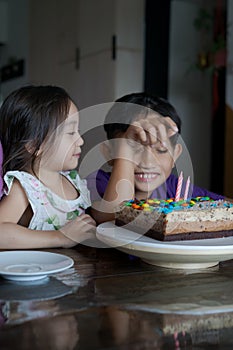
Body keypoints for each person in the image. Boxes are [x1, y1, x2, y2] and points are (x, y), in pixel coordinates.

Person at [86, 92, 224, 224]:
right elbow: (114, 217)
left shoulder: (174, 187)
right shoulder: (96, 183)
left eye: (161, 150)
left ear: (175, 154)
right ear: (109, 153)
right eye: (133, 149)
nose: (147, 162)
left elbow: (225, 206)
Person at [0, 85, 96, 249]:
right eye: (70, 133)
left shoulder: (73, 181)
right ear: (34, 145)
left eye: (78, 131)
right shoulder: (26, 187)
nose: (80, 141)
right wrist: (60, 237)